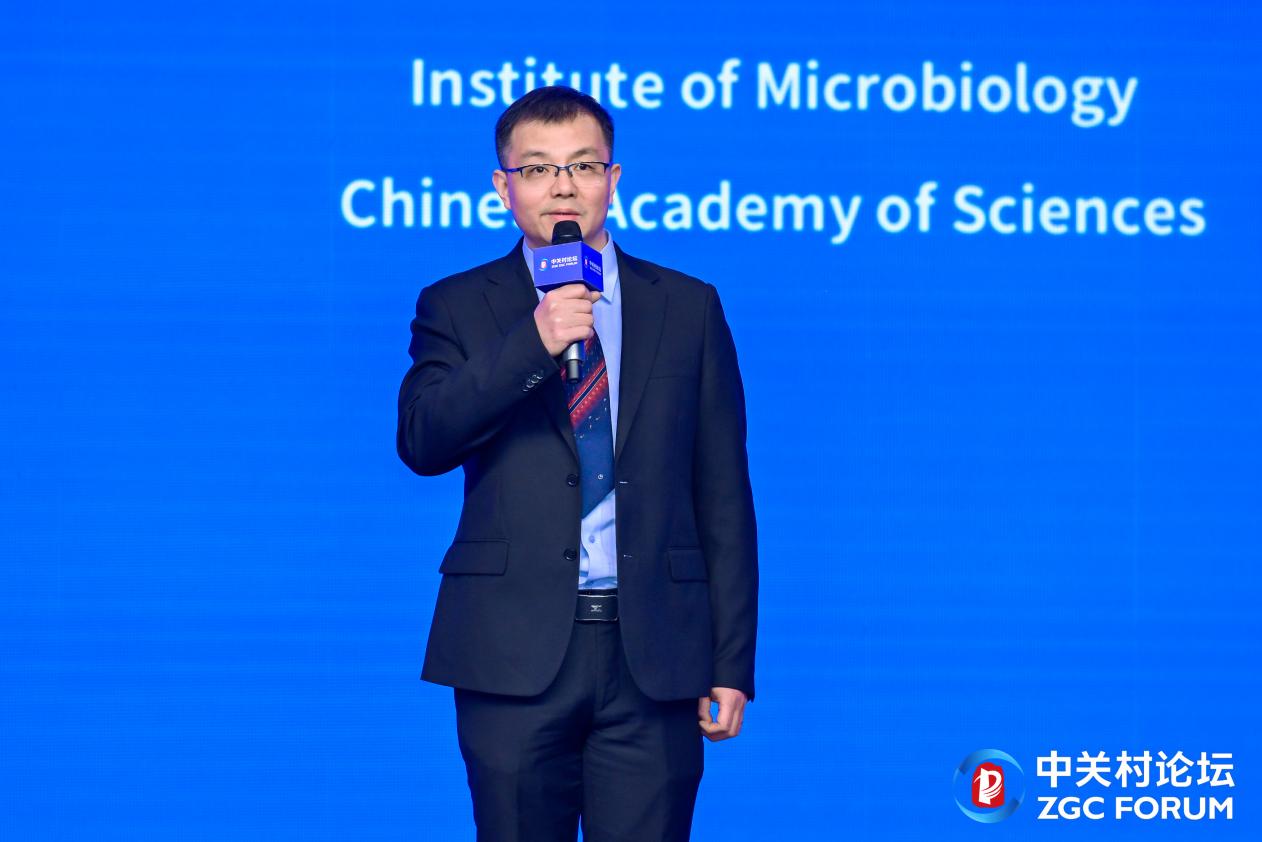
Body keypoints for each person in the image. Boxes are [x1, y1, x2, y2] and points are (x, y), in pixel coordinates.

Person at [396, 85, 757, 842]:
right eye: (537, 168)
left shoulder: (687, 306)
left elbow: (723, 495)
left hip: (654, 652)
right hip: (511, 649)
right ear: (504, 188)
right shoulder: (456, 305)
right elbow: (424, 441)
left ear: (612, 180)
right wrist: (534, 340)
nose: (563, 185)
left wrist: (730, 662)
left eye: (583, 165)